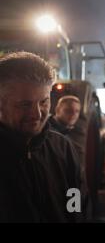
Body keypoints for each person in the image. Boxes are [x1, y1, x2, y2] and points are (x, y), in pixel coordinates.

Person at [0, 52, 81, 222]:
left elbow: (75, 198)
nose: (37, 114)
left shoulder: (63, 147)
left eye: (44, 102)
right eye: (25, 104)